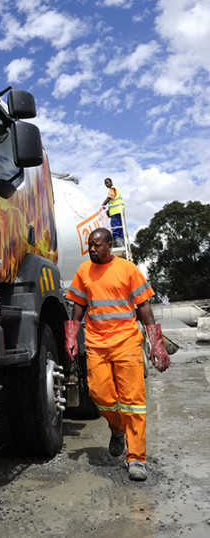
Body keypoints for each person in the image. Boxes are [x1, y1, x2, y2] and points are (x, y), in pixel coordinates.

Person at [64, 227, 170, 482]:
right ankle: (117, 427)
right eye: (90, 245)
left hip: (126, 343)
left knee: (134, 401)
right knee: (99, 395)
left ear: (109, 246)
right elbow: (79, 304)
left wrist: (156, 343)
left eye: (97, 245)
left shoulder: (127, 269)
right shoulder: (83, 271)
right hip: (97, 343)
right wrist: (71, 335)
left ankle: (137, 459)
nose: (92, 249)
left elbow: (143, 305)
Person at [102, 178, 125, 245]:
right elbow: (113, 202)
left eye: (107, 182)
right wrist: (108, 211)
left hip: (116, 212)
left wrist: (103, 204)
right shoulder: (116, 189)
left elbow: (109, 198)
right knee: (120, 229)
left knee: (115, 228)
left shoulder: (113, 189)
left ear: (111, 182)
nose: (106, 184)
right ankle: (122, 243)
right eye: (105, 183)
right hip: (118, 211)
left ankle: (120, 245)